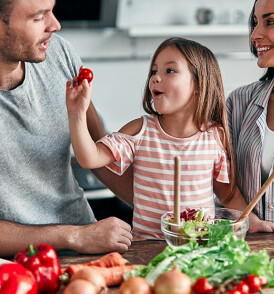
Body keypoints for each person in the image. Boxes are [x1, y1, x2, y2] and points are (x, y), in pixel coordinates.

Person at [66, 36, 247, 241]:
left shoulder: (214, 136)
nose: (155, 78)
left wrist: (252, 221)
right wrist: (76, 114)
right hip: (147, 249)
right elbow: (90, 158)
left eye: (169, 70)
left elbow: (227, 194)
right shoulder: (140, 131)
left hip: (200, 248)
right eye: (154, 71)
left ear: (199, 84)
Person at [0, 0, 133, 257]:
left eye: (52, 10)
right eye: (39, 18)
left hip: (90, 251)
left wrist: (159, 210)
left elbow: (98, 152)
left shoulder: (59, 53)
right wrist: (73, 236)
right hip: (16, 267)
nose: (55, 25)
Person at [226, 0, 274, 231]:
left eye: (270, 22)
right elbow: (220, 179)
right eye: (255, 23)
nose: (255, 35)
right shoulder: (239, 102)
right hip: (248, 255)